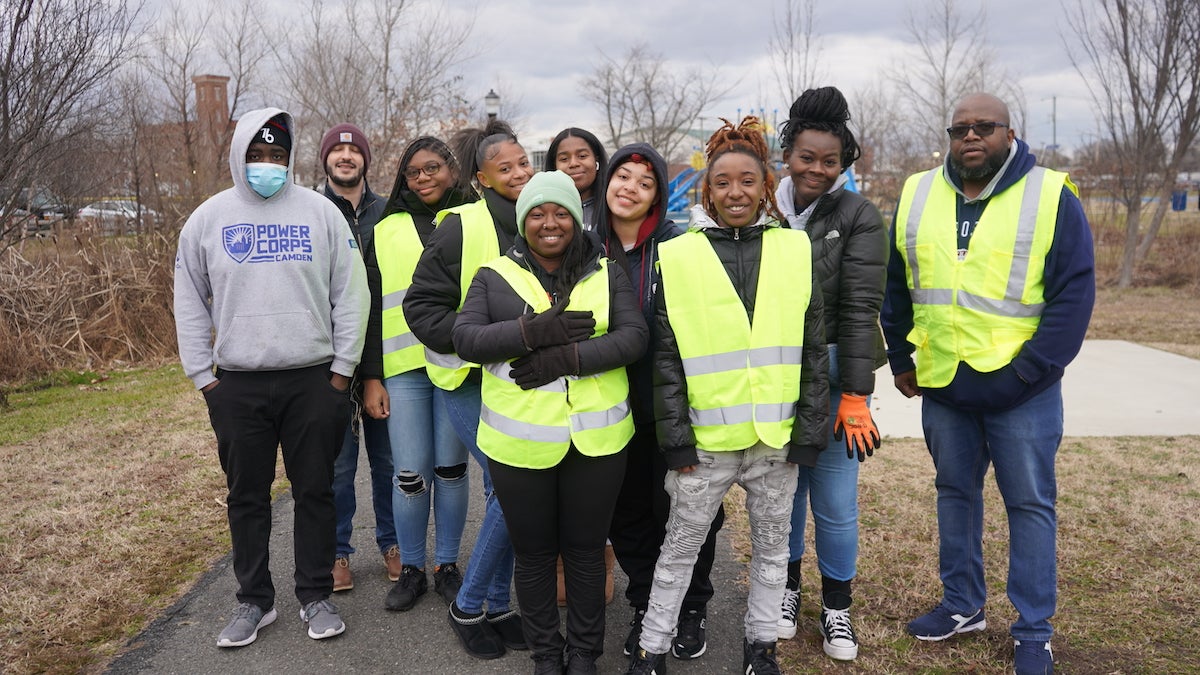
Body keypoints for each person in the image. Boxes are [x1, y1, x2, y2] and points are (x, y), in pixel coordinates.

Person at [880, 93, 1095, 675]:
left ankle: (1032, 631)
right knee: (955, 494)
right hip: (946, 382)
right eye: (959, 129)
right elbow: (897, 284)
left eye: (984, 127)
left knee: (1028, 504)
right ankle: (962, 607)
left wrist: (1031, 369)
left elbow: (1074, 294)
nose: (970, 137)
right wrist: (902, 357)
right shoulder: (917, 192)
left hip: (1023, 387)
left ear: (1009, 132)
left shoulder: (1051, 194)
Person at [626, 117, 829, 675]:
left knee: (771, 554)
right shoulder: (682, 254)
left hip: (775, 440)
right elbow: (665, 360)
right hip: (705, 442)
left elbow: (813, 351)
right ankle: (651, 650)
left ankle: (761, 648)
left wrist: (809, 436)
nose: (735, 192)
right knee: (677, 553)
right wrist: (676, 443)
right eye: (722, 183)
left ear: (766, 185)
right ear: (705, 189)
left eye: (747, 181)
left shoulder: (794, 249)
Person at [174, 108, 368, 647]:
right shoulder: (208, 219)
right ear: (240, 157)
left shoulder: (320, 213)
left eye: (277, 157)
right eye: (256, 156)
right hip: (236, 383)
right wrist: (203, 378)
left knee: (315, 490)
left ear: (289, 160)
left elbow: (352, 293)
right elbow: (188, 299)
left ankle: (315, 594)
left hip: (313, 381)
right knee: (247, 497)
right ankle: (254, 601)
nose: (266, 165)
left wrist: (340, 373)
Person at [453, 169, 648, 675]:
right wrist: (530, 330)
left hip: (597, 443)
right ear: (523, 221)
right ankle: (546, 655)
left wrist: (567, 358)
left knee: (584, 553)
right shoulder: (494, 276)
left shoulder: (606, 272)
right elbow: (466, 339)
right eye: (536, 213)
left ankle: (583, 654)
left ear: (576, 218)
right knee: (535, 555)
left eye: (560, 211)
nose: (549, 223)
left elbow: (633, 337)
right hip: (519, 445)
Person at [403, 119, 532, 660]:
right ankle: (470, 602)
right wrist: (473, 337)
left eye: (525, 163)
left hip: (522, 386)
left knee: (508, 490)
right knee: (512, 489)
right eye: (506, 168)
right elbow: (420, 306)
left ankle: (499, 606)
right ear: (480, 178)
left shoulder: (543, 219)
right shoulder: (459, 225)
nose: (521, 174)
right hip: (468, 381)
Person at [597, 142, 726, 662]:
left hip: (674, 408)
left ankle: (690, 607)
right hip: (608, 408)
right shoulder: (586, 249)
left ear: (656, 197)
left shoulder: (682, 246)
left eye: (644, 182)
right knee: (624, 515)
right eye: (621, 176)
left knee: (686, 513)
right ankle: (648, 605)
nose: (628, 187)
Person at [773, 87, 888, 662]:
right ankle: (788, 594)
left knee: (836, 502)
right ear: (787, 154)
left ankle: (838, 610)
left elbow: (861, 307)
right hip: (776, 370)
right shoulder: (768, 208)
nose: (817, 169)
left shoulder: (858, 214)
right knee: (786, 494)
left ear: (844, 164)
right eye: (807, 158)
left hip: (837, 366)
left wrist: (854, 394)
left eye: (830, 161)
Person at [362, 136, 476, 613]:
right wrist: (371, 376)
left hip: (459, 365)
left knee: (450, 471)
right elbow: (367, 305)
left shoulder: (477, 221)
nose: (424, 178)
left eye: (433, 168)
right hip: (403, 368)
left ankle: (446, 566)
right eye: (414, 172)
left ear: (451, 169)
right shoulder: (385, 228)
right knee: (409, 475)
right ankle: (411, 567)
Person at [318, 123, 398, 592]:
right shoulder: (311, 211)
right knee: (338, 467)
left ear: (366, 159)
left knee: (389, 462)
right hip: (331, 362)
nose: (346, 156)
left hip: (385, 358)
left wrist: (377, 372)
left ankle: (392, 543)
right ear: (325, 159)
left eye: (354, 150)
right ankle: (338, 552)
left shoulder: (388, 213)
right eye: (337, 150)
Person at [544, 128, 608, 231]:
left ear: (596, 159)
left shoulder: (613, 206)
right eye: (564, 159)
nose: (573, 163)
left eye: (582, 156)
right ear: (554, 165)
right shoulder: (542, 210)